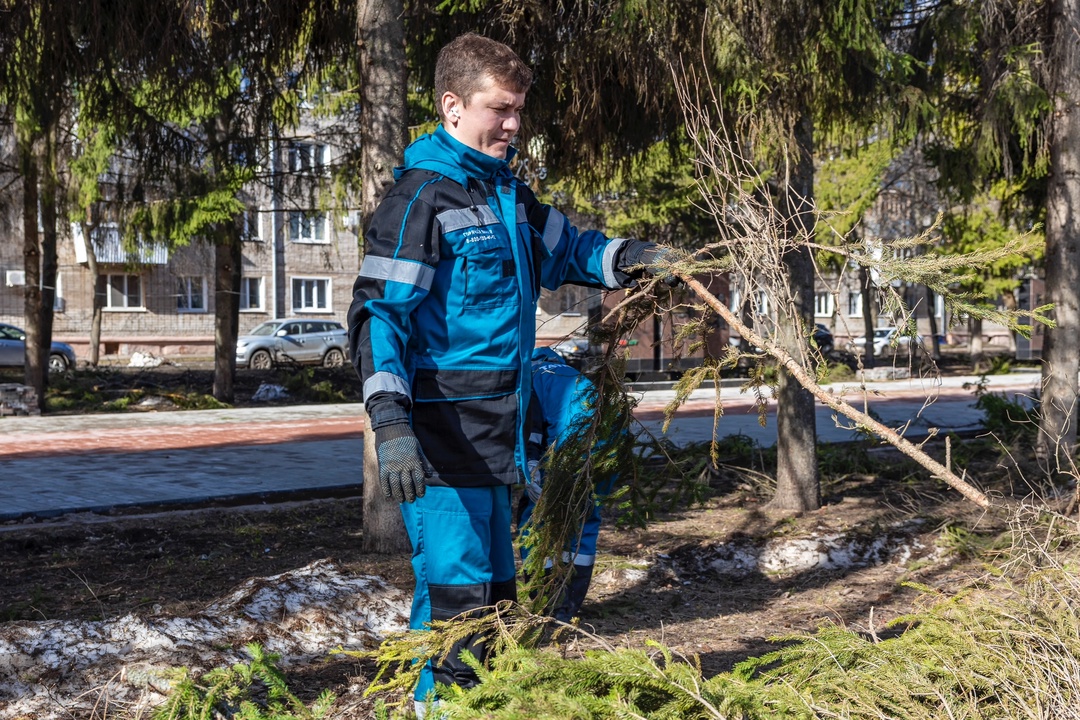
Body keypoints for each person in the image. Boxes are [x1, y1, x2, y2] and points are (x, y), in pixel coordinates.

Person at [347, 32, 672, 714]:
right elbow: (379, 318)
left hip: (499, 445)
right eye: (501, 108)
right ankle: (438, 711)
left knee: (494, 602)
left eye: (520, 109)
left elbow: (571, 249)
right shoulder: (419, 200)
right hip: (440, 443)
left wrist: (636, 255)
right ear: (453, 105)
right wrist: (390, 426)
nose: (515, 123)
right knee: (458, 607)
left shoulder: (507, 197)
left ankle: (473, 707)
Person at [518, 346, 623, 623]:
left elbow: (532, 428)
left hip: (566, 447)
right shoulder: (572, 375)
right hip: (607, 444)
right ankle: (570, 605)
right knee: (585, 516)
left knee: (538, 519)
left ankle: (547, 603)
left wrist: (531, 470)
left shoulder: (528, 376)